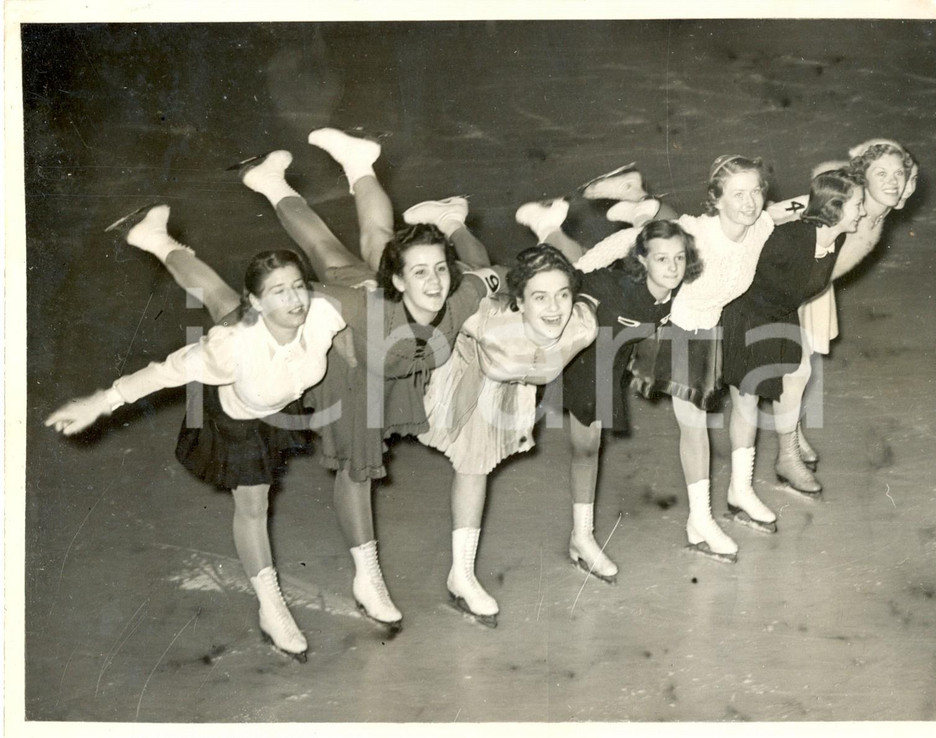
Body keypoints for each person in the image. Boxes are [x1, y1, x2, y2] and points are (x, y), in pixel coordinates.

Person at [163, 129, 502, 631]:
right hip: (349, 365)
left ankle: (298, 175)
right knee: (355, 465)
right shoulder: (361, 309)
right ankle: (367, 575)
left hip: (376, 316)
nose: (435, 283)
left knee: (360, 243)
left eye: (440, 272)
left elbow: (487, 272)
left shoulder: (457, 294)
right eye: (421, 274)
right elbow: (307, 295)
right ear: (399, 281)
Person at [45, 219, 349, 662]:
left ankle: (156, 239)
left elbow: (371, 312)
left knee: (217, 296)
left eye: (298, 286)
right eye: (279, 291)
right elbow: (165, 373)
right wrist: (101, 401)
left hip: (277, 398)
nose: (294, 299)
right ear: (258, 303)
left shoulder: (322, 311)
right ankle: (271, 606)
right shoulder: (228, 349)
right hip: (238, 414)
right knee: (253, 504)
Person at [519, 156, 774, 563]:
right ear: (716, 199)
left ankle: (559, 222)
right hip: (659, 316)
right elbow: (632, 242)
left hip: (690, 324)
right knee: (673, 425)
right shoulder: (697, 232)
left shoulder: (763, 226)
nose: (750, 202)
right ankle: (699, 520)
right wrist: (579, 273)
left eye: (756, 191)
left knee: (694, 423)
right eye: (737, 194)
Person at [406, 239, 598, 625]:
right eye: (540, 297)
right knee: (473, 464)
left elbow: (588, 293)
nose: (555, 308)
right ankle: (461, 574)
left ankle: (456, 221)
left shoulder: (583, 325)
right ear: (519, 302)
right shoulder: (488, 322)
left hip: (515, 377)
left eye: (562, 295)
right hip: (468, 366)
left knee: (491, 265)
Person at [764, 139, 918, 492]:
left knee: (801, 367)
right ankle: (786, 457)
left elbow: (901, 177)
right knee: (795, 369)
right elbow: (801, 198)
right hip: (788, 283)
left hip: (816, 284)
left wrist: (900, 170)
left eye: (899, 174)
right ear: (862, 178)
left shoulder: (883, 203)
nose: (892, 181)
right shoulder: (847, 200)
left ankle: (793, 433)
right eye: (881, 174)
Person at [557, 219, 701, 582]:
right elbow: (576, 279)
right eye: (662, 259)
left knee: (589, 447)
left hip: (614, 358)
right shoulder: (617, 287)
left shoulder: (676, 290)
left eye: (679, 258)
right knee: (586, 449)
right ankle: (582, 538)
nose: (672, 268)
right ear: (642, 260)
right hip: (585, 358)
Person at [720, 168, 866, 522]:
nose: (861, 211)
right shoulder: (787, 239)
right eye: (857, 205)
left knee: (797, 372)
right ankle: (738, 490)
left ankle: (787, 456)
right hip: (743, 314)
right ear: (834, 208)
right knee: (747, 401)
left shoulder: (833, 237)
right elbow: (737, 247)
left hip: (778, 313)